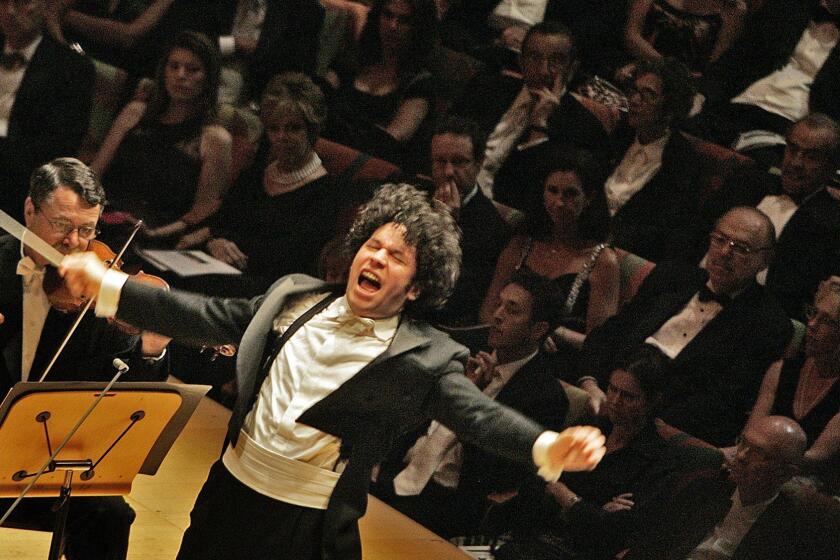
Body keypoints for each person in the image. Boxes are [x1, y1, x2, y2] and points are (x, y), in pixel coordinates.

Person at [59, 183, 607, 560]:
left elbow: (478, 416)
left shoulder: (425, 356)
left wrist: (547, 449)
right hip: (229, 491)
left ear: (416, 288)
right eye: (373, 245)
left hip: (304, 523)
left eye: (396, 257)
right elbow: (204, 316)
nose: (375, 259)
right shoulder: (293, 295)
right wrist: (109, 287)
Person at [0, 157, 168, 560]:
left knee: (108, 513)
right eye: (61, 226)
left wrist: (151, 347)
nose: (75, 243)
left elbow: (130, 398)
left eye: (87, 229)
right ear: (29, 211)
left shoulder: (102, 286)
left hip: (53, 464)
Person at [373, 270, 569, 538]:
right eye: (499, 304)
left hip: (448, 504)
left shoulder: (546, 397)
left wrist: (470, 401)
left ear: (538, 329)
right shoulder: (464, 349)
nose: (497, 315)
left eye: (512, 310)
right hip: (395, 470)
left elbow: (498, 477)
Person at [579, 207, 793, 446]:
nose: (724, 252)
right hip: (606, 393)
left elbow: (723, 401)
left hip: (664, 430)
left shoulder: (769, 323)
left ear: (765, 260)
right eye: (720, 240)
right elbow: (611, 333)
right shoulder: (671, 277)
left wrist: (638, 415)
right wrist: (590, 383)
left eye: (740, 248)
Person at [496, 345, 704, 560]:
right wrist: (591, 510)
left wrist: (563, 494)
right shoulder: (591, 428)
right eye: (612, 389)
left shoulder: (658, 459)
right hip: (534, 541)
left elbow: (615, 532)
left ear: (652, 401)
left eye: (628, 397)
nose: (614, 402)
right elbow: (534, 483)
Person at [177, 72, 341, 297]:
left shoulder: (326, 193)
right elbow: (222, 221)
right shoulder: (255, 175)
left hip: (267, 291)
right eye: (274, 128)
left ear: (312, 130)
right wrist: (216, 242)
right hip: (219, 271)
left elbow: (290, 258)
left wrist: (229, 242)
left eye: (293, 128)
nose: (281, 137)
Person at [480, 147, 619, 377]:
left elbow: (598, 346)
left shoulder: (603, 262)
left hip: (556, 366)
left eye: (570, 194)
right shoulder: (520, 244)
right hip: (501, 353)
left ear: (589, 198)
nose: (559, 203)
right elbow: (486, 314)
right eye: (552, 191)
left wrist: (551, 332)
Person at [625, 416, 840, 560]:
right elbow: (652, 544)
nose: (742, 456)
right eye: (743, 443)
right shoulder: (705, 488)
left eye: (759, 453)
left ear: (785, 473)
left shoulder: (795, 528)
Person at [92, 30, 232, 245]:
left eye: (192, 69)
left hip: (157, 237)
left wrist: (154, 234)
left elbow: (201, 214)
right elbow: (94, 173)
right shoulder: (136, 112)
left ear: (208, 78)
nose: (181, 75)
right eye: (174, 66)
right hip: (102, 219)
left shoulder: (214, 139)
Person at [450, 20, 610, 204]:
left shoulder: (584, 128)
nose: (543, 70)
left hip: (502, 212)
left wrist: (539, 125)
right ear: (521, 61)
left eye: (556, 61)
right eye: (534, 58)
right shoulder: (488, 88)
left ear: (572, 69)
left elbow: (535, 194)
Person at [700, 113, 840, 320]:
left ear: (831, 167)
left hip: (749, 319)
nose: (795, 163)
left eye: (811, 157)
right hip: (692, 290)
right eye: (792, 149)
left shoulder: (831, 226)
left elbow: (797, 299)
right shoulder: (747, 182)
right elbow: (694, 232)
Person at [690, 0, 840, 163]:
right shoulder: (788, 6)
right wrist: (702, 94)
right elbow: (736, 58)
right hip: (737, 105)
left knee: (756, 166)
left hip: (791, 127)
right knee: (685, 134)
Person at [604, 57, 707, 262]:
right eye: (634, 91)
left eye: (647, 95)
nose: (634, 100)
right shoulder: (619, 135)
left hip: (627, 256)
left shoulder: (682, 162)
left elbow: (663, 232)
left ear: (670, 107)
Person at [0, 0, 95, 222]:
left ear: (46, 6)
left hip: (17, 185)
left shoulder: (72, 69)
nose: (11, 11)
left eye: (22, 2)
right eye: (4, 2)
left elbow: (58, 147)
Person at [746, 277, 840, 492]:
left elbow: (814, 460)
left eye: (827, 321)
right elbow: (750, 435)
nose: (812, 324)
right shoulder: (781, 370)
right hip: (758, 468)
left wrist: (759, 456)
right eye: (813, 313)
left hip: (810, 490)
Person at [322, 0, 438, 170]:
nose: (393, 26)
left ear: (419, 27)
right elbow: (316, 101)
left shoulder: (421, 84)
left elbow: (390, 142)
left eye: (404, 20)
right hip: (322, 155)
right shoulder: (351, 62)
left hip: (370, 171)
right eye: (388, 15)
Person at [426, 115, 509, 326]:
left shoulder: (493, 230)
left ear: (479, 164)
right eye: (440, 161)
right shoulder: (414, 194)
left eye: (459, 162)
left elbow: (453, 298)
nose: (448, 172)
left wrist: (446, 228)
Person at [623, 0, 748, 75]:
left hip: (684, 84)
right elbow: (632, 34)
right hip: (634, 64)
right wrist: (655, 66)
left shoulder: (733, 8)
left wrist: (674, 75)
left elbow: (714, 63)